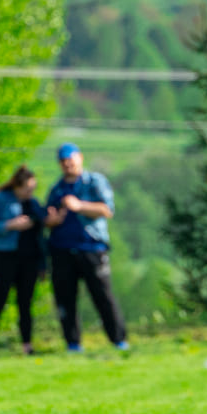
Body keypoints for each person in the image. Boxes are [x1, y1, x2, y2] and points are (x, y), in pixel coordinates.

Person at [46, 143, 128, 352]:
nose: (67, 165)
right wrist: (51, 221)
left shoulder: (94, 182)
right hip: (62, 249)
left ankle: (118, 340)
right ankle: (73, 344)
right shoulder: (57, 189)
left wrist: (80, 206)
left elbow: (106, 209)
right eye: (63, 162)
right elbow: (47, 217)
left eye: (70, 160)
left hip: (92, 247)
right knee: (66, 299)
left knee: (102, 295)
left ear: (80, 158)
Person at [0, 166, 48, 357]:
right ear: (17, 186)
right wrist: (11, 225)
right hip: (4, 256)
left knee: (25, 303)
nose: (30, 192)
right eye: (27, 188)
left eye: (33, 188)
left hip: (29, 259)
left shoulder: (33, 203)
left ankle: (27, 346)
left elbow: (41, 228)